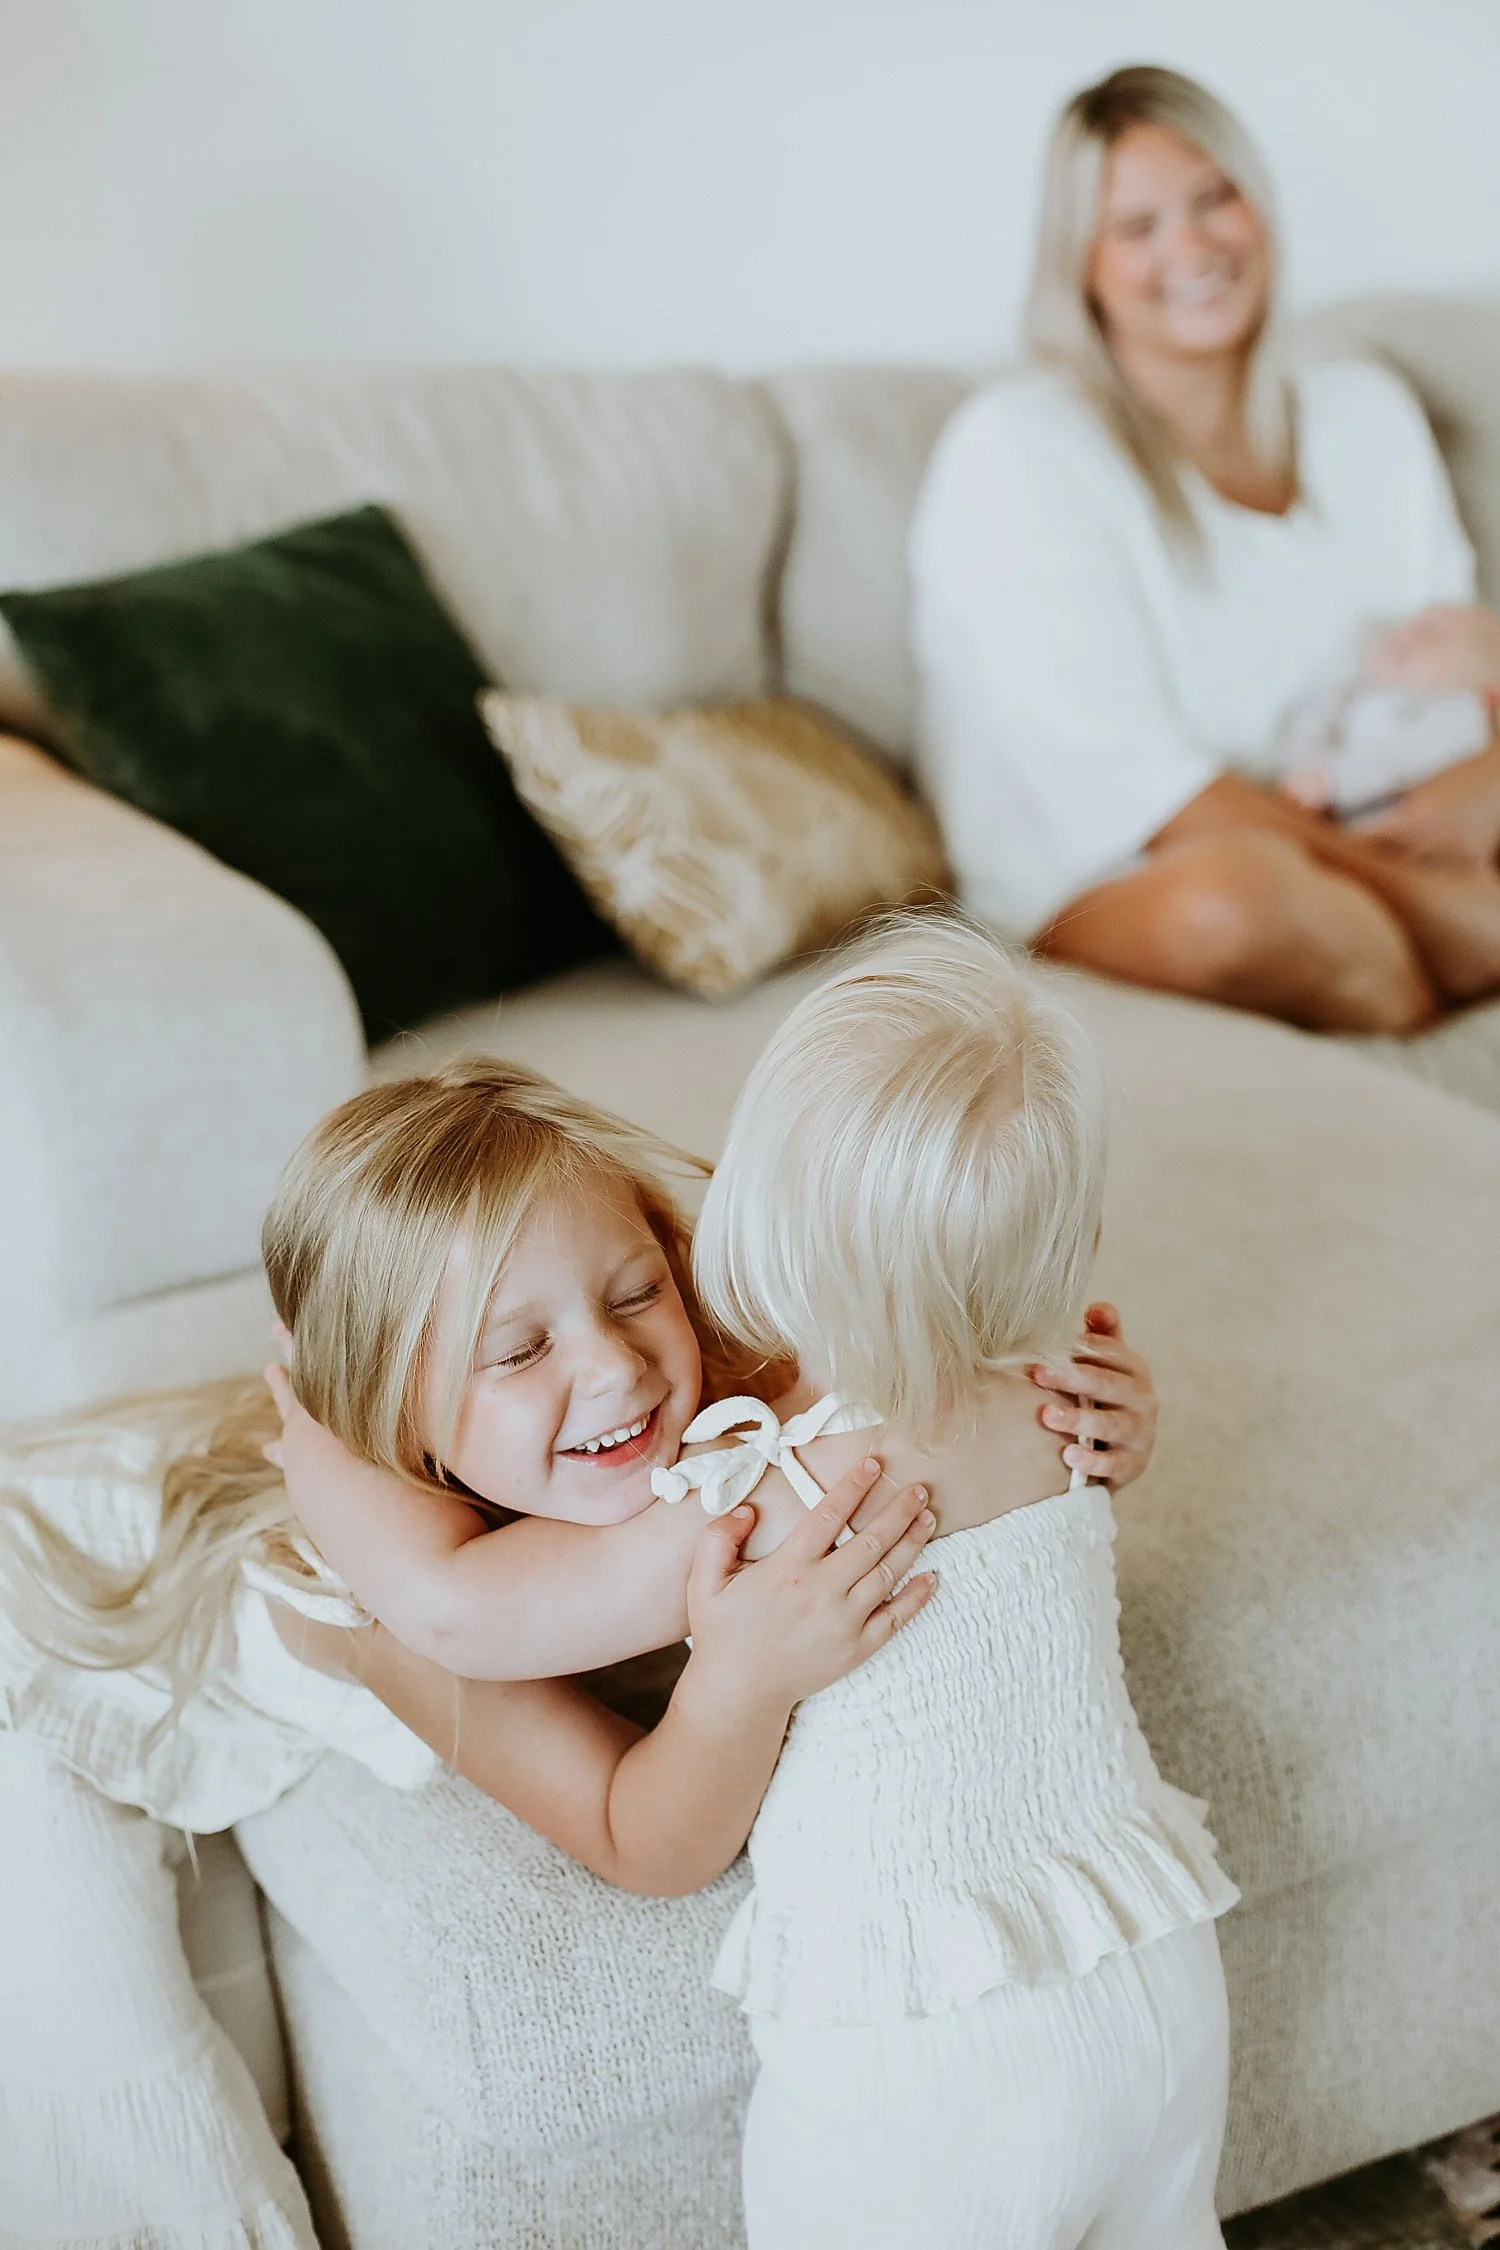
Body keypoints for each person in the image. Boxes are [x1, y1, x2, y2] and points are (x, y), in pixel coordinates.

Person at [0, 1057, 1158, 2247]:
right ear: (390, 1415)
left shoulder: (710, 1379)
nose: (615, 1369)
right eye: (515, 1354)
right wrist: (741, 1684)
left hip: (253, 1451)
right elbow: (643, 1841)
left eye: (634, 1292)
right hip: (37, 1636)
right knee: (115, 2093)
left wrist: (1098, 1410)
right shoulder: (373, 1601)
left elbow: (933, 1379)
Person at [668, 917, 1237, 2249]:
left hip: (933, 2047)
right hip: (1150, 1965)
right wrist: (1132, 1431)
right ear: (1075, 1235)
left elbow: (519, 1615)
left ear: (760, 1215)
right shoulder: (1071, 1399)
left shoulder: (771, 1492)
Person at [910, 64, 1500, 1034]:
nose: (1190, 246)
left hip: (1356, 818)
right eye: (1136, 227)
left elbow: (1461, 664)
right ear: (1081, 267)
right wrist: (1437, 902)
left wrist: (1485, 783)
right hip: (1116, 871)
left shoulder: (1367, 412)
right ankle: (1425, 969)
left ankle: (1405, 970)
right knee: (1242, 900)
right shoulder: (1017, 446)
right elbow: (1149, 796)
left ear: (1259, 207)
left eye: (1214, 198)